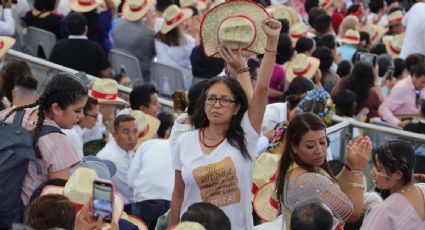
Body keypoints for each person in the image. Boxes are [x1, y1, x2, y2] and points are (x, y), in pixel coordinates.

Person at [170, 17, 281, 230]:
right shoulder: (185, 141)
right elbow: (178, 195)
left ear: (237, 107)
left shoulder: (245, 136)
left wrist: (271, 42)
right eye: (211, 99)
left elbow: (262, 89)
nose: (216, 105)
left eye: (225, 100)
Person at [0, 73, 87, 208]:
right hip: (21, 220)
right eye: (78, 110)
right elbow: (56, 203)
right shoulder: (59, 143)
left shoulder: (7, 114)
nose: (81, 116)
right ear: (56, 108)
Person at [275, 113, 372, 229]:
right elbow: (352, 214)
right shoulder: (308, 181)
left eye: (322, 142)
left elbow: (333, 191)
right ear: (294, 147)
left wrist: (349, 166)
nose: (320, 151)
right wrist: (358, 169)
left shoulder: (297, 167)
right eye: (310, 146)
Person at [360, 140, 425, 229]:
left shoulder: (383, 212)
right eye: (373, 166)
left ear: (397, 174)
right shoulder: (423, 189)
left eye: (379, 170)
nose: (372, 173)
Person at [128, 112, 175, 230]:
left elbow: (131, 180)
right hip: (170, 202)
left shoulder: (146, 145)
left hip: (144, 200)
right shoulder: (182, 150)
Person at [49, 12, 111, 78]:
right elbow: (106, 74)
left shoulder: (58, 45)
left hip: (62, 85)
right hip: (87, 87)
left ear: (67, 29)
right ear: (86, 28)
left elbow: (50, 68)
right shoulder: (96, 48)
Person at [97, 114, 138, 213]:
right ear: (114, 134)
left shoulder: (126, 149)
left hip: (120, 205)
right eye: (126, 132)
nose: (131, 137)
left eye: (135, 131)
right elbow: (131, 191)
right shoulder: (112, 157)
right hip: (110, 211)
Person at [112, 0, 156, 80]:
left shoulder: (117, 23)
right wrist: (152, 26)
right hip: (141, 78)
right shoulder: (149, 33)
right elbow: (157, 55)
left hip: (118, 73)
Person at [155, 4, 195, 89]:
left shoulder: (158, 41)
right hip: (182, 89)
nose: (186, 24)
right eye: (183, 22)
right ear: (178, 26)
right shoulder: (189, 43)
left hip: (161, 86)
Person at [378, 63, 425, 127]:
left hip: (418, 125)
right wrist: (397, 123)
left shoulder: (420, 87)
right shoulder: (402, 88)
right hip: (402, 127)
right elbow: (383, 109)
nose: (424, 85)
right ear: (414, 76)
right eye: (423, 82)